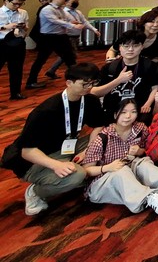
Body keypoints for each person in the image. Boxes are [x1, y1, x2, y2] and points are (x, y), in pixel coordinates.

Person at [4, 63, 106, 216]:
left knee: (107, 140)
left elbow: (99, 125)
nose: (89, 87)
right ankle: (36, 192)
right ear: (69, 83)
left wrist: (89, 149)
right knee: (77, 175)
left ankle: (77, 175)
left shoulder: (90, 101)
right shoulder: (46, 111)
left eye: (93, 83)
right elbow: (27, 151)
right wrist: (56, 165)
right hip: (35, 159)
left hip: (66, 145)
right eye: (85, 84)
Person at [82, 98, 158, 215]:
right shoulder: (102, 138)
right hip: (101, 182)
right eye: (123, 112)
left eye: (133, 112)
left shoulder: (140, 129)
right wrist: (108, 167)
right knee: (121, 170)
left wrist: (139, 151)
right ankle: (149, 197)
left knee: (142, 163)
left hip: (129, 172)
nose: (128, 116)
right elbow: (86, 171)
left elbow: (146, 151)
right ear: (115, 114)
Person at [92, 30, 158, 123]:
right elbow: (94, 92)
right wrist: (118, 80)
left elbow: (155, 87)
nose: (130, 49)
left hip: (139, 110)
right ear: (120, 48)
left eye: (135, 46)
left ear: (142, 47)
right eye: (126, 46)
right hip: (113, 111)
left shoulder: (150, 66)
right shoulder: (110, 67)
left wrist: (147, 104)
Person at [26, 0, 84, 89]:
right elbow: (55, 21)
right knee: (41, 60)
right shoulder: (47, 9)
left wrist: (73, 22)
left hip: (61, 37)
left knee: (70, 58)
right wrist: (72, 26)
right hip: (48, 38)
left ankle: (78, 80)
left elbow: (66, 19)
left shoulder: (61, 9)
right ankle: (31, 82)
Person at [45, 0, 101, 79]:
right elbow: (60, 23)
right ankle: (74, 74)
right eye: (74, 1)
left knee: (66, 55)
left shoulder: (78, 12)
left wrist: (94, 29)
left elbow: (84, 22)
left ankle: (52, 71)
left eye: (77, 1)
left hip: (76, 36)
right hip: (68, 37)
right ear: (67, 2)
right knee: (71, 55)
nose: (76, 2)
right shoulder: (63, 12)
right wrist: (71, 24)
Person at [0, 0, 29, 100]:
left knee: (17, 69)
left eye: (20, 4)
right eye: (15, 3)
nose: (17, 6)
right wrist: (5, 27)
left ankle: (15, 93)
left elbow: (26, 28)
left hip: (17, 43)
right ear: (6, 1)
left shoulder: (23, 12)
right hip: (1, 43)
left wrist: (23, 27)